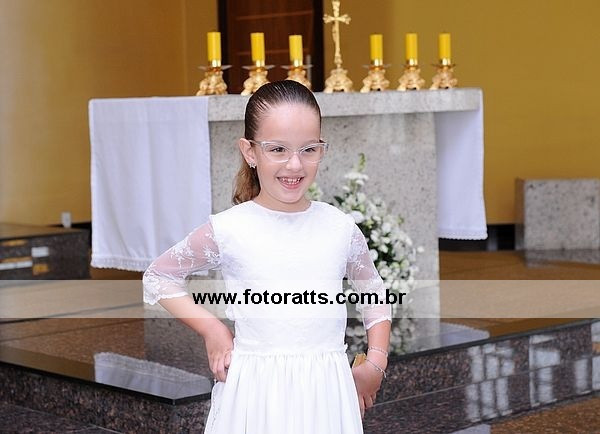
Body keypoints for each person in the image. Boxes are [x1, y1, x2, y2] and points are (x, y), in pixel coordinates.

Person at [142, 80, 391, 434]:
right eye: (278, 149)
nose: (294, 164)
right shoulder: (230, 229)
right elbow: (158, 276)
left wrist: (376, 364)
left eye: (309, 149)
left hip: (325, 392)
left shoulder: (339, 228)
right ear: (250, 151)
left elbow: (374, 293)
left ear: (322, 149)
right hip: (254, 395)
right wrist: (212, 328)